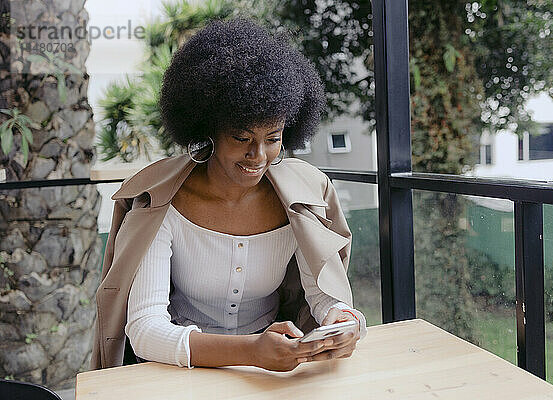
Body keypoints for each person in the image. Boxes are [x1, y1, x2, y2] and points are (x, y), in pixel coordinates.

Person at [91, 18, 366, 372]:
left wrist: (344, 322)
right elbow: (144, 329)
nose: (259, 156)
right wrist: (250, 351)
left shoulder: (300, 200)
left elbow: (323, 293)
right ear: (209, 129)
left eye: (273, 138)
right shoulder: (161, 204)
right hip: (177, 370)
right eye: (242, 138)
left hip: (273, 371)